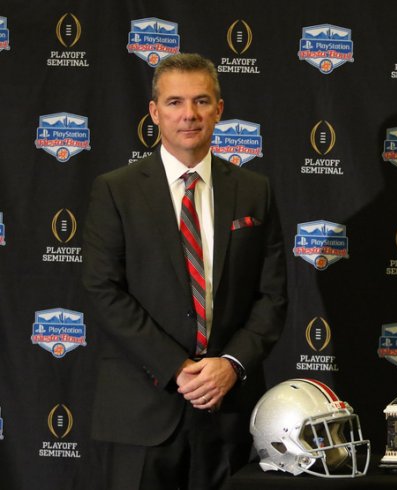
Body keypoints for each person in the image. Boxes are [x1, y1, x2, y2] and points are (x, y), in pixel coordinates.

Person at [82, 53, 287, 490]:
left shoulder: (255, 191)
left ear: (219, 109)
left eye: (201, 101)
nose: (188, 115)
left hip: (227, 411)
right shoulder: (115, 190)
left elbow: (272, 296)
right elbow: (104, 290)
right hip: (142, 411)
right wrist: (177, 367)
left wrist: (231, 364)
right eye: (174, 102)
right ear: (155, 112)